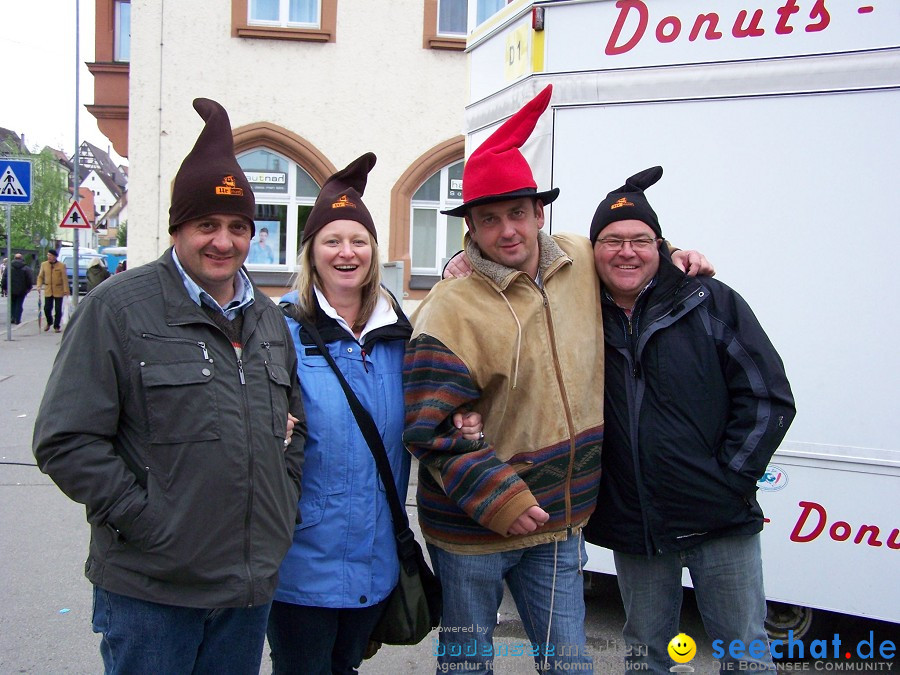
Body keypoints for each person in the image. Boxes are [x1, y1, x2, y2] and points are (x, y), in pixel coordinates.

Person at [412, 85, 712, 675]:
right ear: (470, 226)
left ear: (539, 212)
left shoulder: (578, 261)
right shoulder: (449, 307)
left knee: (568, 664)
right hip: (472, 530)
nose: (508, 231)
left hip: (558, 522)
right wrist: (501, 499)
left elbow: (632, 257)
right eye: (490, 218)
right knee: (467, 665)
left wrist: (678, 255)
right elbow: (429, 425)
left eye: (518, 213)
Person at [32, 97, 307, 675]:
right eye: (206, 225)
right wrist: (149, 522)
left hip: (245, 588)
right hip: (151, 593)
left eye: (237, 227)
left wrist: (280, 507)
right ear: (178, 228)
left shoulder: (268, 318)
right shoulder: (119, 309)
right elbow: (65, 440)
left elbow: (293, 427)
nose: (223, 241)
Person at [267, 153, 482, 675]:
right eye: (332, 241)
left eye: (358, 241)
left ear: (373, 250)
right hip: (300, 558)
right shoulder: (280, 332)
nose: (347, 252)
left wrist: (460, 415)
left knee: (345, 668)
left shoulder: (400, 336)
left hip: (375, 555)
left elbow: (433, 399)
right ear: (311, 254)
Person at [582, 167, 796, 673]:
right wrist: (461, 258)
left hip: (718, 519)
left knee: (745, 655)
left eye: (639, 239)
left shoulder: (709, 302)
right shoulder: (579, 312)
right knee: (647, 656)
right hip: (636, 524)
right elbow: (517, 258)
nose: (626, 251)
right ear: (593, 251)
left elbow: (767, 397)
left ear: (660, 245)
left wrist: (731, 479)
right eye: (612, 240)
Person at [36, 248, 70, 332]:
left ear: (55, 256)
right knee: (47, 308)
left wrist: (66, 290)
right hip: (48, 290)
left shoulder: (61, 265)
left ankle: (56, 326)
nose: (49, 257)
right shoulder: (44, 264)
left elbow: (64, 279)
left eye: (50, 255)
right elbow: (40, 276)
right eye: (48, 255)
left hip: (58, 290)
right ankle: (49, 321)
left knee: (58, 309)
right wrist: (38, 286)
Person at [1, 253, 34, 324]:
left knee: (12, 304)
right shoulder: (26, 268)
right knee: (19, 304)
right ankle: (17, 319)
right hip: (22, 290)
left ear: (14, 258)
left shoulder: (9, 268)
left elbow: (4, 278)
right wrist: (29, 287)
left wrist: (4, 288)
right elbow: (29, 279)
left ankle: (12, 317)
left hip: (11, 289)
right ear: (22, 258)